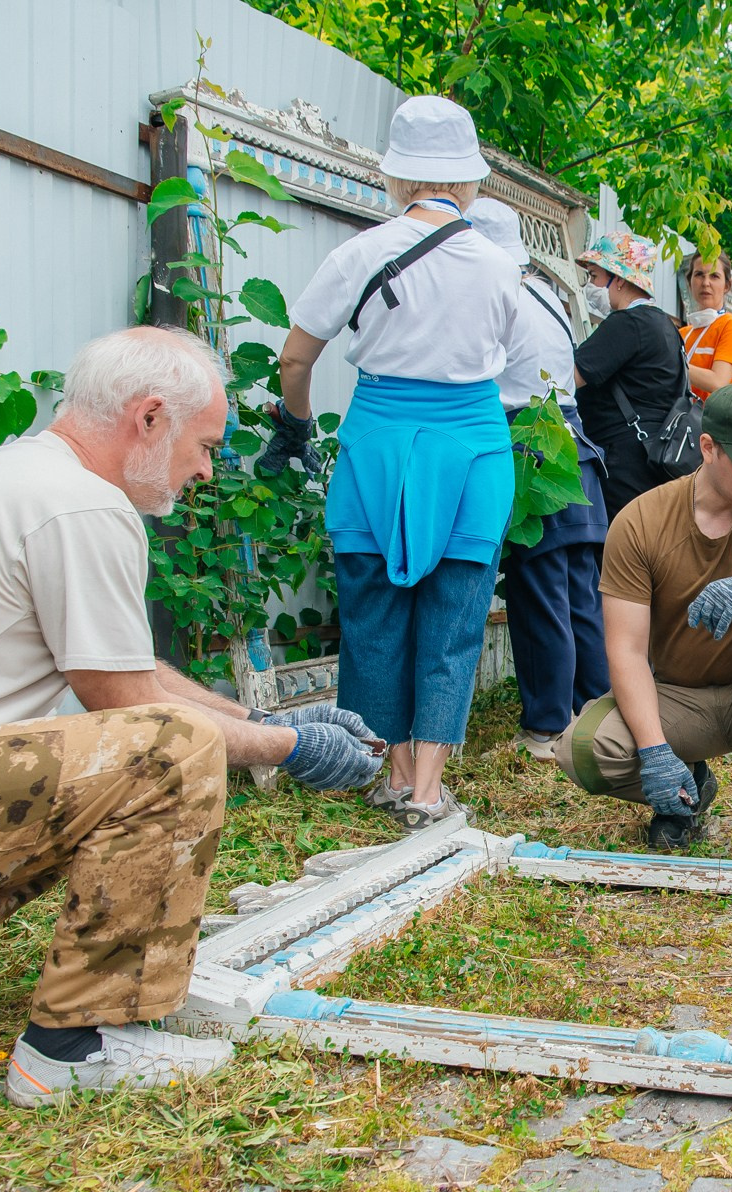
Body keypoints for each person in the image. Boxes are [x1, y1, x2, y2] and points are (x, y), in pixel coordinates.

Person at [0, 327, 383, 1106]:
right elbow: (141, 719)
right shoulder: (80, 506)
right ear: (151, 418)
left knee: (78, 774)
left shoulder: (35, 480)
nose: (205, 468)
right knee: (167, 756)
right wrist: (288, 746)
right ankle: (77, 1042)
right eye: (203, 444)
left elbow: (129, 670)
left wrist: (269, 715)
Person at [277, 96, 516, 830]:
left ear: (396, 177)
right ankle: (427, 793)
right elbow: (502, 370)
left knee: (373, 611)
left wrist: (296, 423)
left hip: (377, 439)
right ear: (467, 182)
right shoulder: (502, 267)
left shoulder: (357, 253)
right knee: (453, 617)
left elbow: (296, 358)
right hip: (473, 446)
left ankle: (392, 770)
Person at [556, 381, 732, 862]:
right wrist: (652, 752)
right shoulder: (641, 522)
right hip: (679, 701)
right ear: (708, 448)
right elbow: (626, 650)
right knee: (583, 750)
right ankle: (688, 784)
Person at [467, 199, 611, 762]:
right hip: (571, 440)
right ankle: (596, 717)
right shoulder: (549, 295)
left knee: (539, 589)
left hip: (528, 440)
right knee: (580, 592)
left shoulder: (492, 295)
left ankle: (548, 726)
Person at [573, 232, 684, 517]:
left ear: (619, 279)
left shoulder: (628, 324)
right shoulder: (665, 326)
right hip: (652, 458)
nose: (590, 286)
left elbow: (568, 379)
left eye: (594, 276)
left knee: (617, 551)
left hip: (623, 462)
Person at [681, 250, 732, 401]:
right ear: (689, 282)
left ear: (727, 285)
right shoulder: (682, 334)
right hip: (680, 422)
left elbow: (718, 382)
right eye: (699, 274)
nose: (705, 283)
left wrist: (672, 365)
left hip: (713, 423)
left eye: (714, 276)